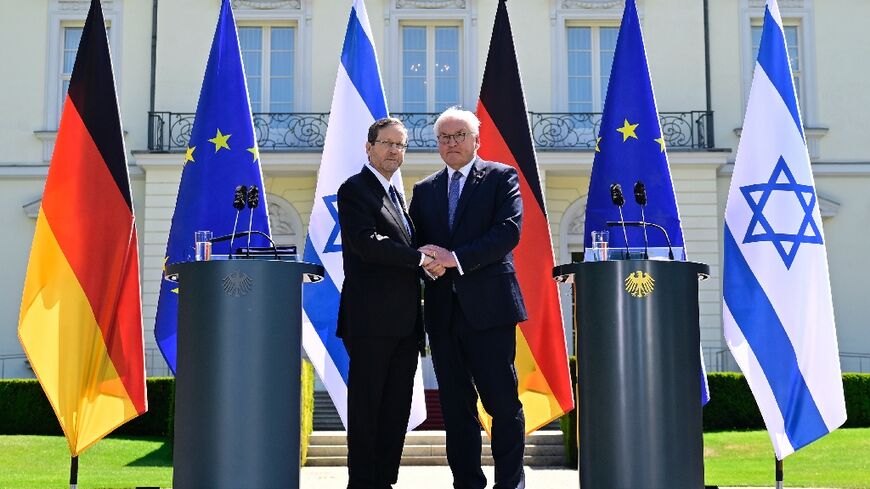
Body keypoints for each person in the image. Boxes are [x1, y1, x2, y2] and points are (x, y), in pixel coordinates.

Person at [408, 107, 527, 489]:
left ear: (477, 140)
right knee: (457, 410)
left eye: (459, 135)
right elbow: (415, 242)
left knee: (502, 406)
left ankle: (510, 483)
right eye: (444, 137)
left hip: (490, 312)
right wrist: (427, 260)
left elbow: (508, 232)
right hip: (443, 316)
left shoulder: (500, 177)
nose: (451, 143)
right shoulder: (424, 190)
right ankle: (467, 484)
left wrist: (454, 259)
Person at [336, 117, 431, 489]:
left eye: (401, 145)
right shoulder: (355, 190)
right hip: (371, 322)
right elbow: (367, 243)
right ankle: (362, 482)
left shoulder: (396, 195)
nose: (395, 151)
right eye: (388, 143)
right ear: (369, 147)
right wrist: (421, 259)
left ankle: (384, 481)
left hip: (406, 325)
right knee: (367, 408)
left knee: (395, 410)